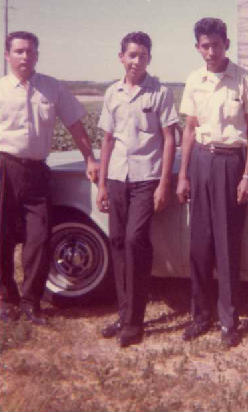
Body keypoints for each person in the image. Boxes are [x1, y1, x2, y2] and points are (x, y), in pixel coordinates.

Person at [0, 31, 98, 325]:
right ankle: (6, 299)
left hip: (37, 172)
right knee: (2, 237)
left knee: (39, 238)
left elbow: (75, 125)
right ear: (7, 56)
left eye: (30, 51)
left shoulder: (52, 88)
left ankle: (31, 301)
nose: (25, 57)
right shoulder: (1, 89)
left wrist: (89, 158)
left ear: (37, 55)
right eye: (18, 51)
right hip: (4, 168)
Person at [176, 17, 248, 348]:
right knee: (199, 245)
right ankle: (200, 315)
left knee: (227, 246)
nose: (210, 51)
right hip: (200, 160)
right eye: (204, 46)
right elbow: (189, 127)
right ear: (197, 47)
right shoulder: (194, 80)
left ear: (226, 43)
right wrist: (183, 174)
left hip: (230, 163)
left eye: (216, 44)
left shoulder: (244, 79)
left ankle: (229, 321)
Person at [96, 31, 178, 347]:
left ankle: (134, 322)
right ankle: (124, 313)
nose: (136, 61)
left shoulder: (160, 93)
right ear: (121, 57)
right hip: (118, 177)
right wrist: (102, 183)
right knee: (117, 242)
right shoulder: (112, 93)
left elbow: (170, 138)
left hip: (147, 178)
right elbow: (106, 140)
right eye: (131, 55)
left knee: (135, 240)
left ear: (149, 59)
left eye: (142, 56)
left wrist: (164, 183)